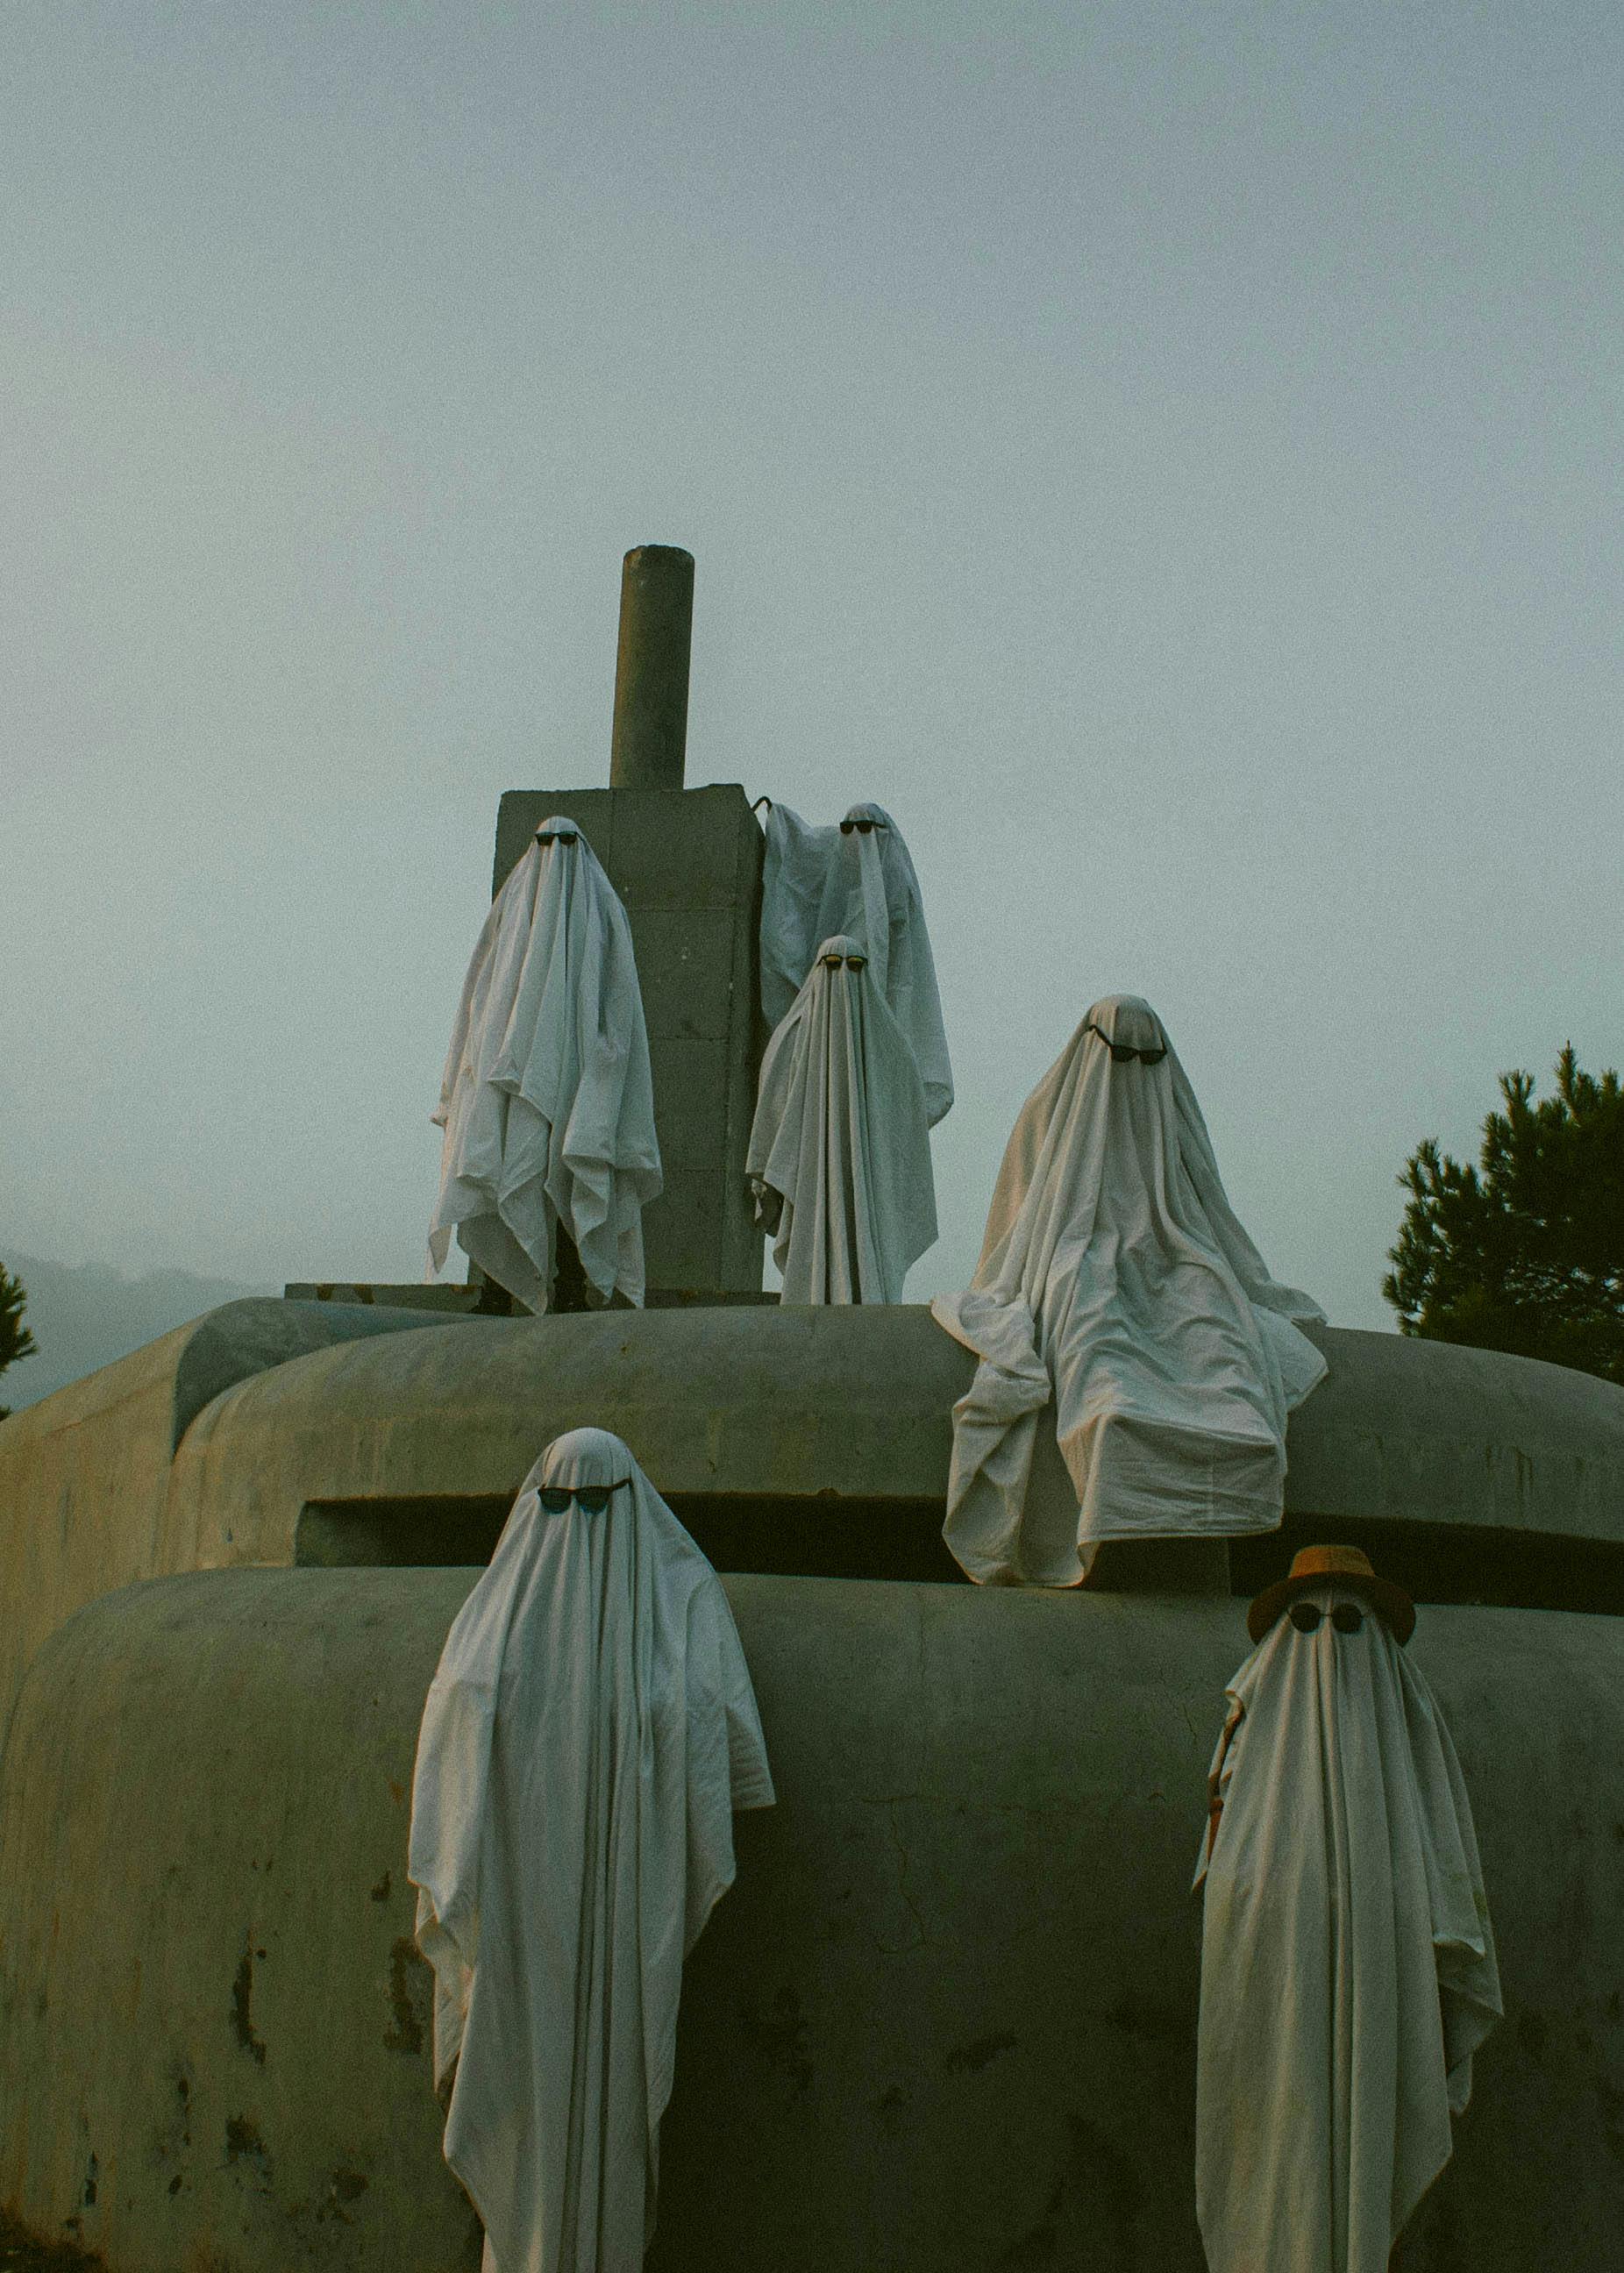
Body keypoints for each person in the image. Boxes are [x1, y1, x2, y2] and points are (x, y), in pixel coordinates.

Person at [409, 1428, 774, 2273]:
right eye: (561, 1504)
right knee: (522, 2116)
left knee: (611, 2119)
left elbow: (721, 1747)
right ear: (536, 1504)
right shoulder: (489, 1634)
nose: (577, 1523)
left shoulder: (680, 1606)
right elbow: (452, 1760)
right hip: (517, 1941)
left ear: (630, 1503)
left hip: (621, 1924)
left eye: (596, 1505)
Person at [931, 994, 1326, 1585]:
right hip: (1068, 1252)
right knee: (1089, 1336)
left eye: (1146, 1055)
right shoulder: (1049, 1110)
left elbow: (1205, 1204)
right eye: (1120, 1052)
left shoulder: (1175, 1110)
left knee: (1215, 1331)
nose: (1132, 1068)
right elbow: (1018, 1214)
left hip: (1175, 1253)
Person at [1195, 1544, 1501, 2273]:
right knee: (1275, 2157)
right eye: (1306, 1620)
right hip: (1276, 2000)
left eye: (1350, 1622)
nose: (1328, 1638)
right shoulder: (1254, 1729)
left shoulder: (1410, 1734)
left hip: (1378, 1989)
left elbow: (1444, 1869)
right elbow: (1223, 1874)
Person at [428, 817, 661, 1311]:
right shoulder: (511, 914)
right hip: (510, 1077)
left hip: (578, 1074)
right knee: (513, 1170)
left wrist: (602, 1070)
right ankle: (499, 1289)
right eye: (546, 845)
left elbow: (620, 1005)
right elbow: (480, 999)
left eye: (565, 845)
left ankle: (571, 1285)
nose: (555, 857)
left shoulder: (600, 913)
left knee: (572, 1169)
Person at [746, 934, 937, 1304]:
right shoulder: (791, 1039)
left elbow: (907, 1128)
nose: (842, 978)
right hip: (810, 1175)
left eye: (854, 968)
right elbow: (772, 1105)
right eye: (832, 967)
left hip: (871, 1183)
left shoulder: (893, 1051)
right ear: (819, 971)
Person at [757, 799, 952, 1125]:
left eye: (867, 830)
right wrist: (781, 820)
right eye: (849, 830)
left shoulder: (895, 891)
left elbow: (903, 974)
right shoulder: (837, 890)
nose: (860, 840)